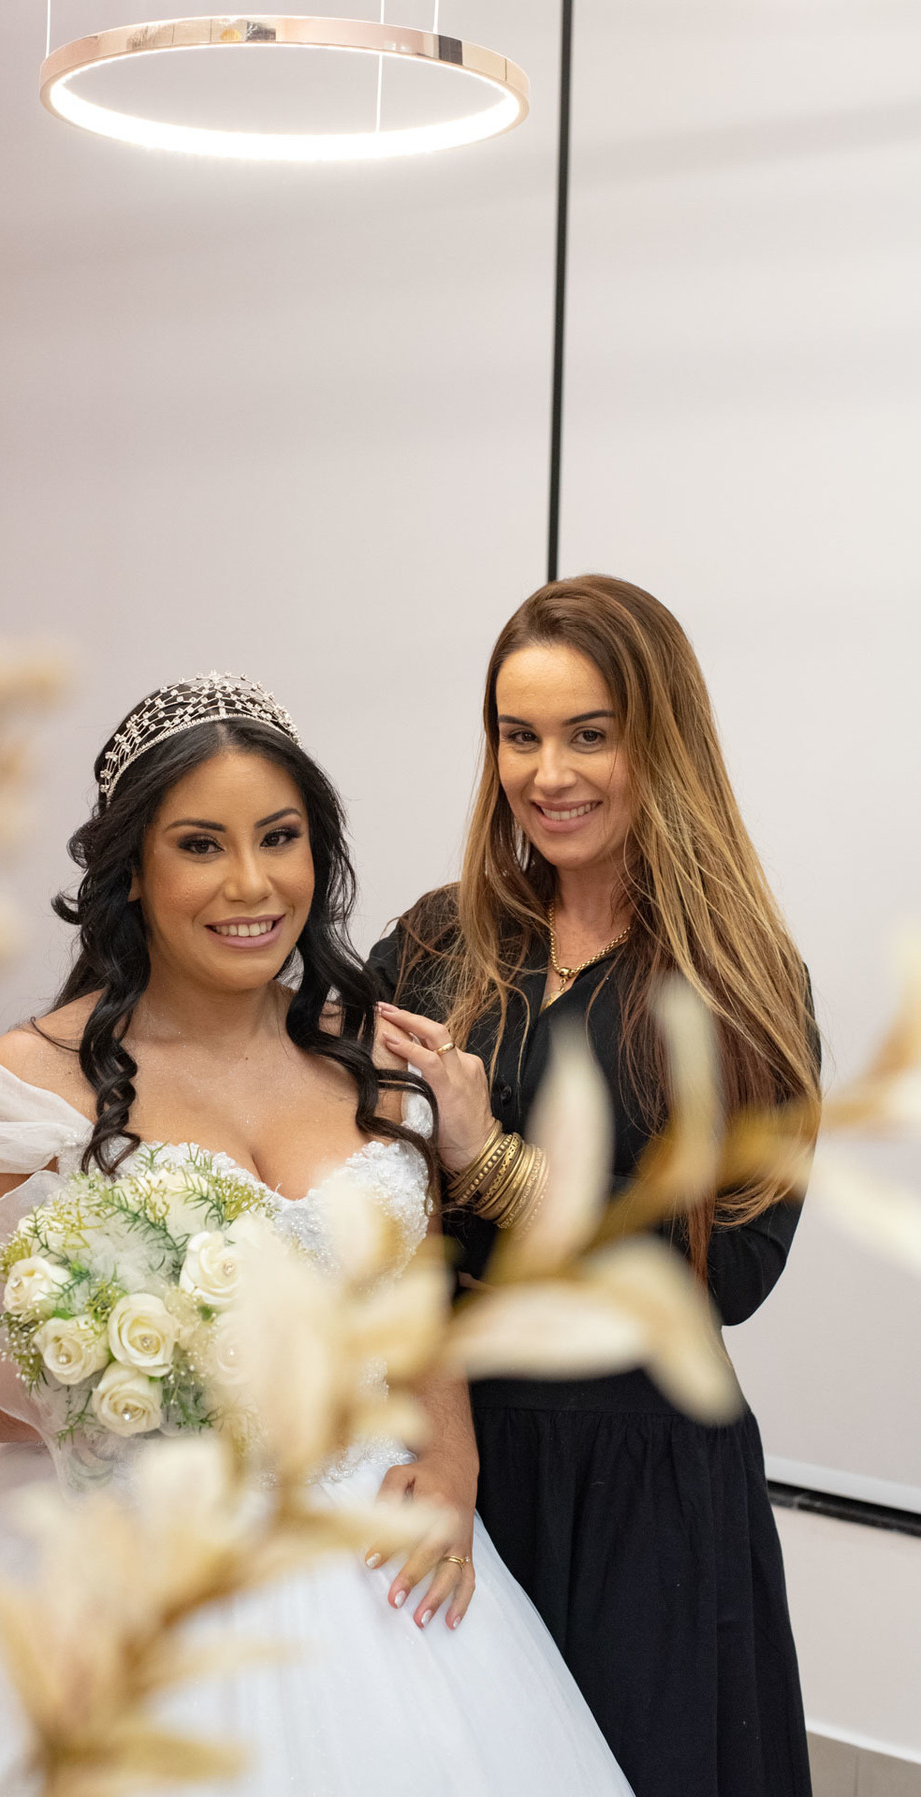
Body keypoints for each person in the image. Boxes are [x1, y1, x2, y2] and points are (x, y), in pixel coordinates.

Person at [0, 673, 632, 1797]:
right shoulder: (18, 1084)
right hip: (118, 1566)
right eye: (200, 845)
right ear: (131, 872)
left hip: (372, 1568)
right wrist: (79, 1389)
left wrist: (452, 1456)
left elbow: (414, 1290)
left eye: (279, 838)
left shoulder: (372, 1055)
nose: (250, 883)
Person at [368, 576, 822, 1797]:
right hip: (447, 1448)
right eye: (520, 736)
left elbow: (729, 1275)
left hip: (643, 1494)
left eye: (589, 734)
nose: (547, 772)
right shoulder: (433, 941)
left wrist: (494, 1164)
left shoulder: (738, 985)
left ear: (657, 741)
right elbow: (302, 1114)